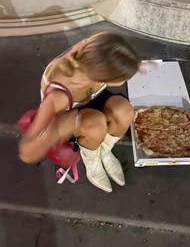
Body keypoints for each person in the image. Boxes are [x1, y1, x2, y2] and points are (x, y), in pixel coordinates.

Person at [19, 32, 141, 193]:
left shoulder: (95, 49)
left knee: (125, 111)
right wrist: (60, 128)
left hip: (90, 95)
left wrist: (130, 64)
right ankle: (92, 161)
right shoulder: (58, 97)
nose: (126, 81)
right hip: (68, 116)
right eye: (124, 77)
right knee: (96, 124)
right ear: (103, 77)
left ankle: (104, 152)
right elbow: (27, 153)